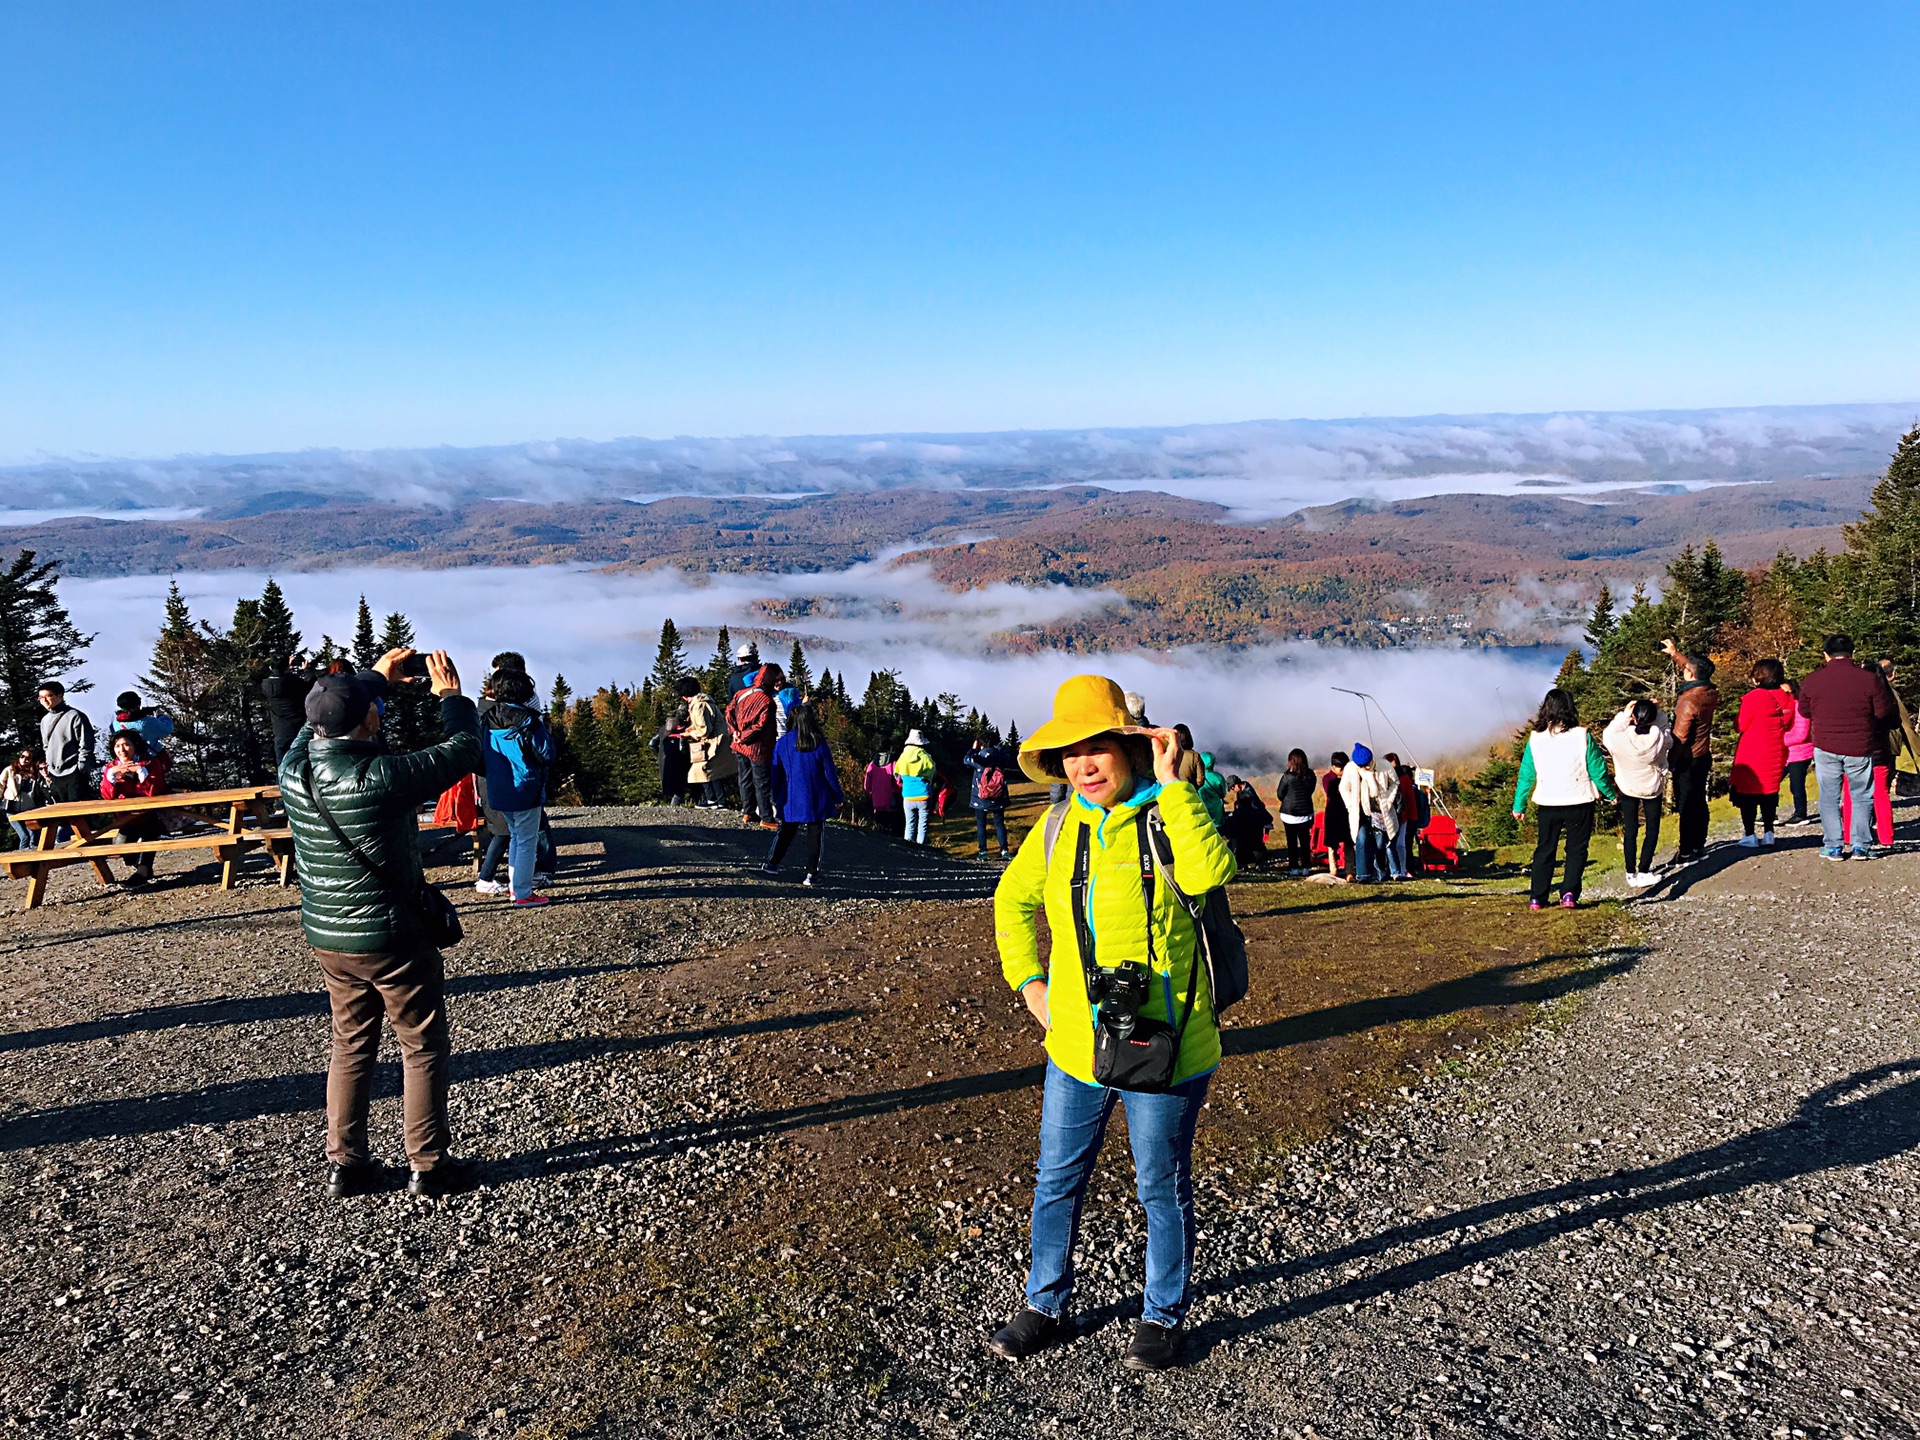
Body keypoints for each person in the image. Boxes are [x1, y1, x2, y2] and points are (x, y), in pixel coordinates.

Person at [987, 675, 1236, 1373]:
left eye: (1097, 748)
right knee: (1057, 1178)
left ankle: (1162, 1315)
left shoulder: (1172, 813)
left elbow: (1213, 872)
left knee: (1161, 1184)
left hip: (1168, 1043)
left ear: (1131, 747)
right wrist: (1029, 982)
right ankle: (1045, 1303)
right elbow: (1011, 904)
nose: (1082, 765)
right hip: (1073, 1043)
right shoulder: (1061, 824)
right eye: (1070, 753)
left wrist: (1176, 785)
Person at [280, 648, 484, 1199]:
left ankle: (346, 1164)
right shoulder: (382, 776)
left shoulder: (293, 769)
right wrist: (450, 696)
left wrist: (371, 680)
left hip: (328, 936)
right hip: (393, 935)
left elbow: (315, 722)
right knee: (420, 1046)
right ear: (369, 719)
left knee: (350, 1044)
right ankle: (429, 1164)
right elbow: (463, 748)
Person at [1512, 687, 1617, 910]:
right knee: (1576, 850)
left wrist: (1519, 804)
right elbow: (1597, 770)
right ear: (1571, 708)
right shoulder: (1582, 736)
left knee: (1545, 849)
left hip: (1547, 802)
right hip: (1579, 800)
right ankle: (1569, 894)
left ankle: (1537, 897)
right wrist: (1610, 794)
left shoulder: (1535, 739)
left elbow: (1526, 774)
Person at [1797, 633, 1893, 861]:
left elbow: (1804, 711)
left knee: (1829, 796)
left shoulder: (1813, 680)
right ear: (1852, 654)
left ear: (1826, 655)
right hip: (1860, 744)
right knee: (1861, 795)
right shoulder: (1868, 680)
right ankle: (1861, 845)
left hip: (1826, 744)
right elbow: (1882, 712)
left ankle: (1833, 845)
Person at [480, 669, 556, 908]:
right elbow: (546, 753)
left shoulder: (487, 717)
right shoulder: (528, 719)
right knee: (526, 840)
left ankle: (517, 888)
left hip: (498, 788)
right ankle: (522, 893)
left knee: (516, 836)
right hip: (525, 787)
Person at [761, 702, 844, 887]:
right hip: (817, 797)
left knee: (786, 831)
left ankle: (772, 863)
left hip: (791, 797)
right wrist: (838, 797)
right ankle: (811, 874)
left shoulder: (782, 743)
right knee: (815, 835)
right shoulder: (819, 743)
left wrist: (776, 796)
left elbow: (776, 774)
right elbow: (830, 774)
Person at [1601, 698, 1672, 887]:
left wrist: (1625, 715)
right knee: (1652, 830)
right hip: (1651, 788)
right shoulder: (1659, 738)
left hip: (1627, 787)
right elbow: (1667, 735)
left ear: (1633, 717)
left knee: (1630, 830)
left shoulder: (1619, 739)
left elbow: (1608, 733)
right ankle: (1644, 870)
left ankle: (1630, 873)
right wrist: (1659, 714)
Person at [1662, 642, 1720, 862]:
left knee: (1686, 805)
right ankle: (1698, 845)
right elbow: (1696, 670)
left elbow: (1680, 738)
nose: (1684, 671)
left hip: (1688, 759)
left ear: (1691, 675)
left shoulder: (1688, 702)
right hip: (1703, 754)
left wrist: (1670, 763)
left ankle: (1686, 851)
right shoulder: (1709, 691)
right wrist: (1675, 654)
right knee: (1699, 802)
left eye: (1686, 670)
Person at [1730, 659, 1794, 848]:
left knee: (1748, 794)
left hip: (1752, 751)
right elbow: (1789, 724)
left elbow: (1740, 725)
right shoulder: (1787, 698)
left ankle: (1750, 834)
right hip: (1775, 751)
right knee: (1769, 792)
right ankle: (1769, 833)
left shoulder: (1753, 698)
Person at [1839, 658, 1900, 850]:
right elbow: (1895, 723)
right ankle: (1886, 836)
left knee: (1850, 792)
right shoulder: (1887, 699)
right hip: (1880, 751)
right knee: (1881, 794)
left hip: (1855, 751)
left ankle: (1849, 834)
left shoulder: (1855, 698)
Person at [100, 731, 172, 884]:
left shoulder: (151, 763)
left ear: (135, 746)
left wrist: (140, 772)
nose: (122, 749)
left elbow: (155, 791)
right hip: (126, 817)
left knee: (149, 833)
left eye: (126, 744)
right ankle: (141, 867)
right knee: (120, 848)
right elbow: (107, 796)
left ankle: (143, 871)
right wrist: (111, 777)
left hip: (152, 815)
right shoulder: (110, 767)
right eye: (118, 746)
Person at [725, 664, 781, 829]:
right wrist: (744, 736)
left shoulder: (741, 693)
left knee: (745, 778)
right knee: (761, 781)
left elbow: (729, 711)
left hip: (739, 744)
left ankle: (748, 812)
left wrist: (735, 732)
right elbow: (761, 726)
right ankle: (766, 817)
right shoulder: (767, 701)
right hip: (757, 747)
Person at [679, 675, 738, 810]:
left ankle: (719, 800)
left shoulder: (698, 705)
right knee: (707, 771)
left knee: (709, 770)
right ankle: (713, 799)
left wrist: (689, 733)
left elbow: (704, 729)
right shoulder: (704, 701)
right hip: (717, 740)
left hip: (713, 742)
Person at [1339, 742, 1390, 883]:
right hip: (1359, 812)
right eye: (1361, 765)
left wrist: (1387, 800)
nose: (1365, 767)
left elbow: (1391, 784)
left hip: (1376, 811)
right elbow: (1343, 788)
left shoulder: (1380, 766)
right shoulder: (1350, 769)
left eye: (1367, 764)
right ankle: (1363, 875)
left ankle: (1381, 870)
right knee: (1361, 840)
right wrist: (1350, 804)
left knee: (1379, 843)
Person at [261, 655, 318, 765]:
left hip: (280, 731)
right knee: (303, 764)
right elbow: (310, 687)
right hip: (298, 728)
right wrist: (307, 670)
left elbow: (277, 679)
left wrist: (285, 669)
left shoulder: (266, 685)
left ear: (270, 667)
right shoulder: (292, 682)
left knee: (282, 766)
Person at [965, 737, 1014, 859]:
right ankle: (1004, 850)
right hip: (998, 797)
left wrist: (972, 749)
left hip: (980, 798)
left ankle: (983, 852)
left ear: (981, 745)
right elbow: (1008, 756)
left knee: (981, 824)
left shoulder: (978, 758)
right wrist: (998, 748)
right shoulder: (1000, 758)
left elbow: (966, 760)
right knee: (999, 824)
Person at [1276, 749, 1317, 875]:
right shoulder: (1310, 775)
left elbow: (1280, 794)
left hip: (1289, 814)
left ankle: (1293, 867)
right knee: (1305, 841)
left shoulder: (1287, 776)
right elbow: (1310, 790)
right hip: (1305, 813)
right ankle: (1305, 867)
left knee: (1291, 841)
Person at [1781, 678, 1814, 826]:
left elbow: (1802, 734)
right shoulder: (1780, 708)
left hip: (1800, 752)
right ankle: (1769, 813)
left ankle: (1801, 813)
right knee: (1773, 782)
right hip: (1785, 753)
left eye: (1787, 692)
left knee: (1796, 784)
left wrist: (1779, 741)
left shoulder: (1799, 707)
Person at [894, 729, 936, 845]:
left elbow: (896, 773)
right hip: (924, 794)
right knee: (923, 825)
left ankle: (908, 848)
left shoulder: (903, 756)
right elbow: (933, 771)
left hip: (908, 795)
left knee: (909, 824)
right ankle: (922, 848)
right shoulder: (925, 756)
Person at [4, 750, 48, 849]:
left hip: (28, 809)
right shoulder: (10, 770)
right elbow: (1, 785)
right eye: (22, 756)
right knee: (24, 837)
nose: (24, 759)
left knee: (33, 836)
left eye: (28, 758)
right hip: (12, 808)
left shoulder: (35, 773)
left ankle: (33, 860)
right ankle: (22, 860)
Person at [1321, 751, 1352, 879]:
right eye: (1340, 767)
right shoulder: (1327, 779)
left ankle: (1349, 870)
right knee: (1332, 844)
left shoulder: (1350, 776)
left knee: (1349, 842)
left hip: (1346, 812)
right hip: (1333, 812)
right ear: (1333, 766)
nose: (1343, 770)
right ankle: (1333, 868)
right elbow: (1331, 793)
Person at [109, 690, 175, 752]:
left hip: (128, 760)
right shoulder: (148, 722)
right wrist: (161, 716)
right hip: (150, 759)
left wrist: (144, 712)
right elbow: (167, 728)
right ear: (138, 704)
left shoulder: (114, 726)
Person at [651, 707, 692, 806]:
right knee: (679, 790)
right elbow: (683, 750)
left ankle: (673, 807)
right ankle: (675, 809)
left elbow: (652, 744)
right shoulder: (686, 729)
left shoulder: (665, 728)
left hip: (665, 762)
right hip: (679, 762)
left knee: (673, 789)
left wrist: (660, 755)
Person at [863, 753, 900, 833]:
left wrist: (871, 792)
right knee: (893, 830)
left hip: (877, 802)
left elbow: (866, 785)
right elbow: (899, 781)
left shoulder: (872, 765)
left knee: (880, 829)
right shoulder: (893, 764)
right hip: (891, 802)